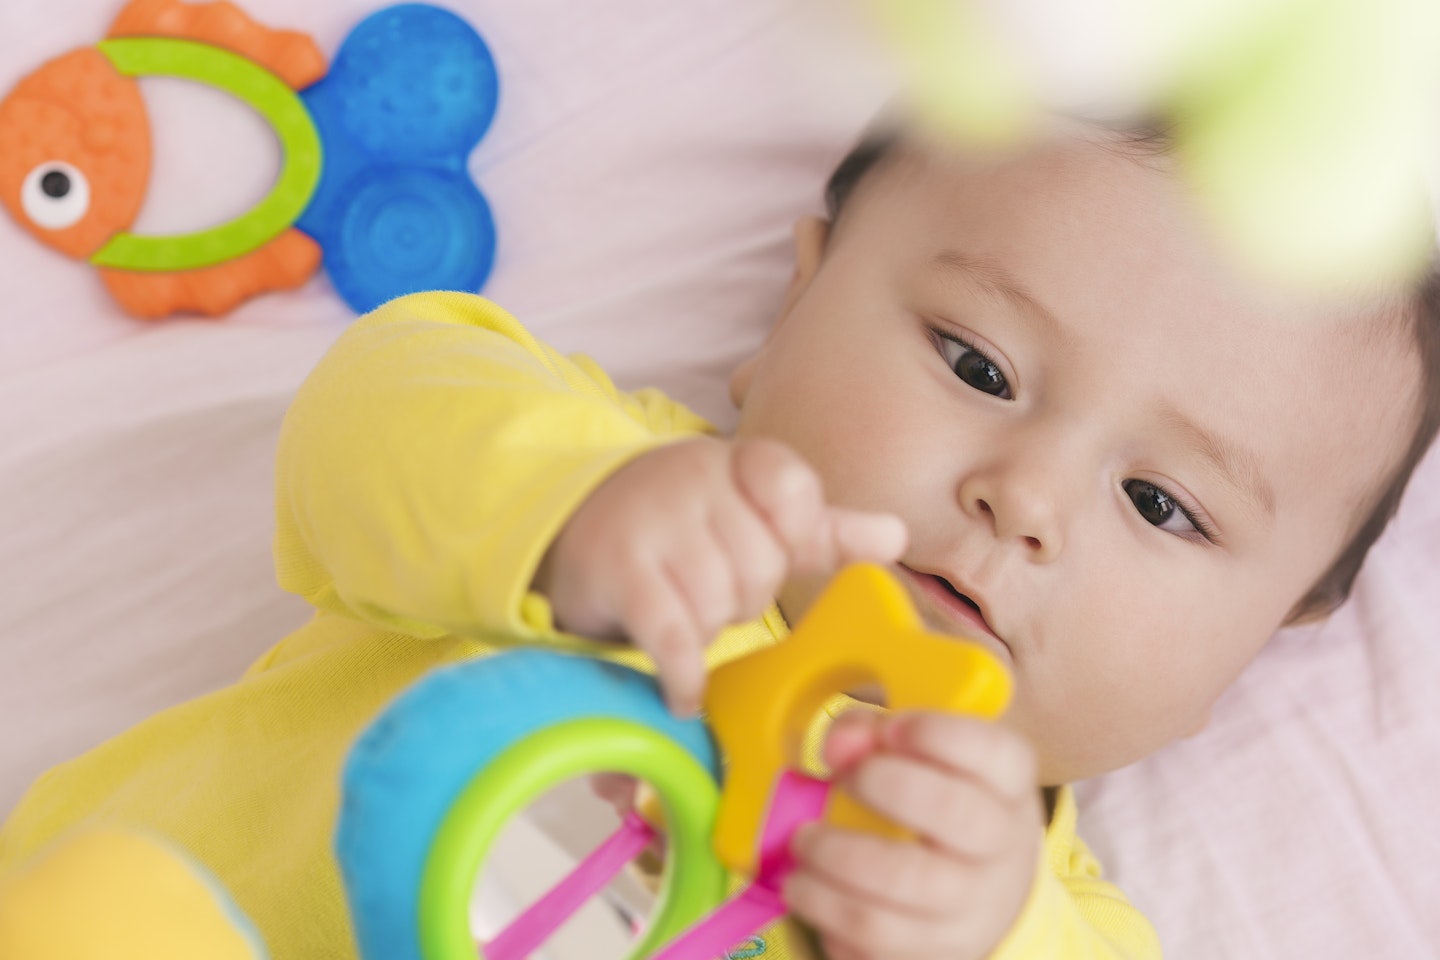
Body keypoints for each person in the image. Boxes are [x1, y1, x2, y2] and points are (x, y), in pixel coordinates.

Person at [2, 115, 1437, 960]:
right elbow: (368, 423)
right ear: (792, 304)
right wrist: (572, 517)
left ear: (1282, 626)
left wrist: (985, 927)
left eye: (1164, 506)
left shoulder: (1039, 916)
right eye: (977, 365)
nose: (1029, 500)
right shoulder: (599, 476)